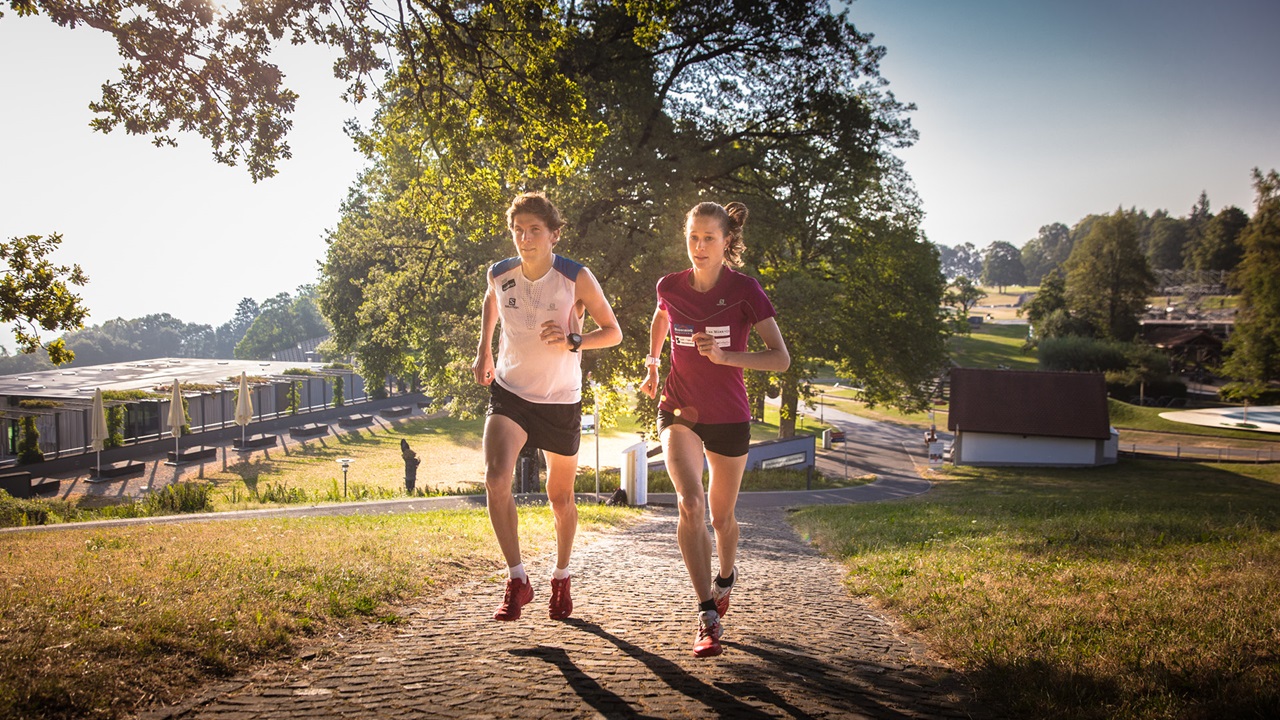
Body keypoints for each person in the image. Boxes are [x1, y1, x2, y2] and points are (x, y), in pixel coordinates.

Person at [639, 201, 790, 657]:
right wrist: (652, 361)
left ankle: (726, 576)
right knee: (690, 502)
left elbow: (780, 359)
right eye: (692, 237)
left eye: (709, 238)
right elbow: (662, 314)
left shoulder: (746, 290)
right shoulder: (669, 285)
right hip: (679, 409)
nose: (699, 247)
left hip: (729, 415)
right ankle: (707, 613)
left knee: (722, 518)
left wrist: (727, 358)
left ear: (727, 242)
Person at [473, 191, 622, 621]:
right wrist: (484, 350)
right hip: (511, 391)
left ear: (554, 234)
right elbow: (491, 301)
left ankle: (561, 576)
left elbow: (612, 332)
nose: (525, 238)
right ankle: (518, 579)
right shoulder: (499, 273)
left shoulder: (576, 277)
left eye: (534, 230)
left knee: (560, 498)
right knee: (496, 477)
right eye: (518, 230)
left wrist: (576, 339)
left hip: (559, 398)